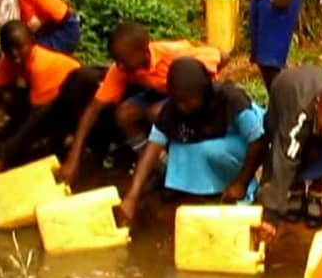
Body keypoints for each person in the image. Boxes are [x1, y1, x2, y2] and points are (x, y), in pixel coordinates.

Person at [59, 21, 224, 185]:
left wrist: (201, 85)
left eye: (124, 60)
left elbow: (220, 55)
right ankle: (152, 164)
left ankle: (181, 167)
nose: (120, 66)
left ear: (144, 52)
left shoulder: (173, 55)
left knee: (157, 113)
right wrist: (74, 158)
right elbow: (93, 109)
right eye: (117, 61)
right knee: (123, 114)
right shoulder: (121, 69)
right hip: (159, 92)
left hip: (187, 97)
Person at [118, 58, 267, 224]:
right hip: (211, 141)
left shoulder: (230, 98)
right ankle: (202, 192)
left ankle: (241, 190)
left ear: (203, 92)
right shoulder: (172, 108)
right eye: (178, 101)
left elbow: (258, 140)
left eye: (189, 101)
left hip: (244, 146)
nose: (183, 107)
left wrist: (241, 183)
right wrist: (132, 196)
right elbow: (152, 149)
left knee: (207, 150)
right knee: (179, 148)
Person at [0, 20, 100, 172]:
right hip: (46, 102)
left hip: (74, 102)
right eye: (8, 49)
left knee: (33, 136)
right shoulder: (8, 61)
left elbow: (35, 119)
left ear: (32, 42)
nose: (15, 53)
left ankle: (66, 137)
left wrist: (5, 157)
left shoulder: (40, 65)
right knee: (7, 100)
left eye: (19, 47)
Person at [258, 65, 322, 234]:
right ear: (317, 105)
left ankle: (316, 192)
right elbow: (285, 160)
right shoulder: (299, 112)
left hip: (312, 102)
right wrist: (271, 216)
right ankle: (296, 189)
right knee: (290, 149)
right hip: (285, 97)